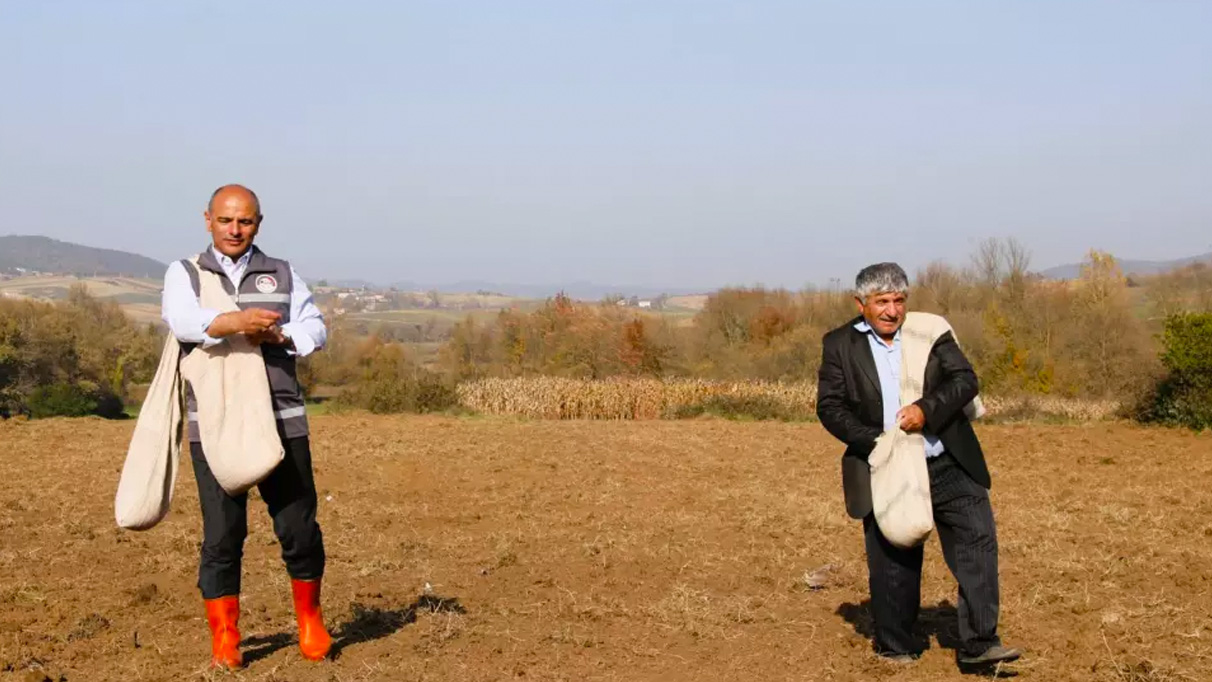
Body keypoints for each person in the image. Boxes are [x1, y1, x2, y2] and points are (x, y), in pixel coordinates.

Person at [160, 184, 331, 669]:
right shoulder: (185, 273)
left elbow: (315, 326)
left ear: (259, 223)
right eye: (226, 220)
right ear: (208, 219)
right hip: (213, 420)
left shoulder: (283, 272)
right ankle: (225, 640)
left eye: (246, 221)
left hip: (281, 417)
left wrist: (281, 334)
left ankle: (310, 621)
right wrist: (236, 322)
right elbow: (183, 322)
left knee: (298, 528)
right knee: (222, 535)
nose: (235, 230)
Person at [816, 262, 1020, 667]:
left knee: (978, 543)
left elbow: (965, 380)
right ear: (861, 304)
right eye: (882, 302)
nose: (892, 311)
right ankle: (898, 647)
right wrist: (877, 442)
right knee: (894, 560)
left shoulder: (930, 331)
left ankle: (980, 645)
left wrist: (926, 410)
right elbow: (830, 406)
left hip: (947, 459)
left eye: (899, 300)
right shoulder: (838, 344)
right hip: (884, 467)